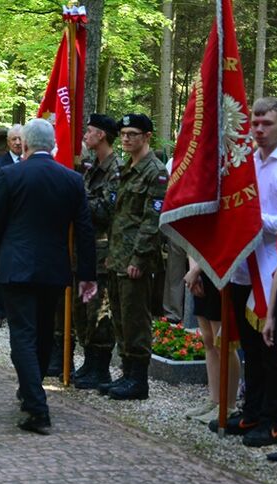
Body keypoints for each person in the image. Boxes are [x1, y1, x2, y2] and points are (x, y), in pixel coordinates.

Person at [0, 118, 97, 435]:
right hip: (53, 268)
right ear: (53, 144)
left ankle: (36, 406)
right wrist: (87, 274)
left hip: (15, 267)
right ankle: (30, 389)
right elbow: (85, 231)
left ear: (27, 144)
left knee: (22, 334)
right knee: (44, 332)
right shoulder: (71, 180)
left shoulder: (10, 174)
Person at [219, 97, 277, 447]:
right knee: (249, 346)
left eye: (267, 124)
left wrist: (250, 221)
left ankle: (274, 421)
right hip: (244, 266)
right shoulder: (246, 164)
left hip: (273, 270)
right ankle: (253, 410)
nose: (259, 130)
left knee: (271, 348)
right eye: (255, 124)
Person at [98, 113, 167, 401]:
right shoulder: (128, 167)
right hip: (118, 257)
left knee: (136, 318)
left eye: (133, 134)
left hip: (136, 260)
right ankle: (126, 373)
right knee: (121, 317)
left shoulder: (155, 171)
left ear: (147, 137)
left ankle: (138, 381)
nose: (126, 138)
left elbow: (152, 221)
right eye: (124, 133)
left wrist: (138, 258)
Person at [71, 114, 121, 389]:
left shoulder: (116, 169)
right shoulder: (92, 169)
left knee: (99, 313)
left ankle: (100, 367)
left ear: (101, 135)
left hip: (104, 253)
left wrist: (78, 195)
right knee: (83, 312)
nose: (85, 136)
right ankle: (89, 361)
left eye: (89, 131)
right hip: (87, 250)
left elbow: (105, 211)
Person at [183, 258, 240, 423]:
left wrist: (195, 271)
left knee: (222, 343)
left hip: (220, 272)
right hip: (201, 274)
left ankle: (228, 405)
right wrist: (194, 270)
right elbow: (193, 240)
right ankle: (214, 400)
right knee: (208, 340)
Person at [0, 124, 23, 328]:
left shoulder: (30, 162)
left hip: (25, 223)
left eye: (20, 139)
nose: (18, 142)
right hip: (5, 222)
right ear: (8, 142)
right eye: (14, 139)